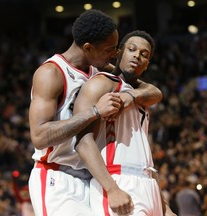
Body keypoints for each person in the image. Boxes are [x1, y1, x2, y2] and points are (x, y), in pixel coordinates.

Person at [28, 10, 162, 216]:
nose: (115, 54)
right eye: (110, 49)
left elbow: (151, 90)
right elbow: (39, 136)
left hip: (92, 178)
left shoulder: (99, 69)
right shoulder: (51, 73)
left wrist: (132, 96)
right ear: (88, 48)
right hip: (56, 176)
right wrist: (94, 112)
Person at [74, 30, 176, 215]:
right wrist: (111, 189)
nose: (137, 55)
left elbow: (145, 156)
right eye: (132, 49)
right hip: (118, 180)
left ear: (146, 65)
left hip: (148, 184)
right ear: (119, 53)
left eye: (144, 54)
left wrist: (164, 205)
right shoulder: (102, 83)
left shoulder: (140, 96)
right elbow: (82, 141)